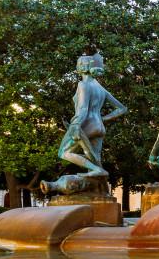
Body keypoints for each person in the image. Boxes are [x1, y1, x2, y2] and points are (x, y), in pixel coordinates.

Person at [53, 51, 127, 180]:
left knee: (64, 152)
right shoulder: (100, 87)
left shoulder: (83, 85)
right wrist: (102, 119)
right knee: (95, 158)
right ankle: (98, 190)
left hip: (85, 125)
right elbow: (122, 108)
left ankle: (96, 170)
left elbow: (82, 109)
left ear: (81, 67)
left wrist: (75, 125)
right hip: (99, 127)